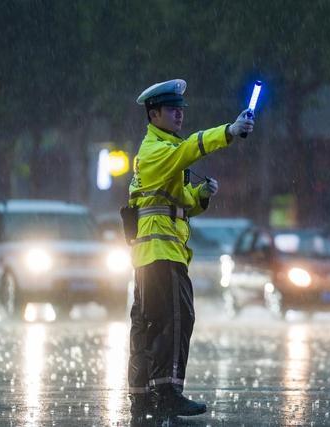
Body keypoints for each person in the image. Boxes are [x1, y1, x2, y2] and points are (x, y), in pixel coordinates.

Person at [126, 79, 254, 419]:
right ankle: (167, 393)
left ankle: (143, 398)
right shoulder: (157, 151)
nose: (180, 115)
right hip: (161, 255)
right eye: (172, 110)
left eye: (181, 109)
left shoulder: (161, 152)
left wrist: (201, 196)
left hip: (150, 256)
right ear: (154, 115)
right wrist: (229, 130)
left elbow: (178, 205)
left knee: (148, 325)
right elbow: (190, 150)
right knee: (176, 320)